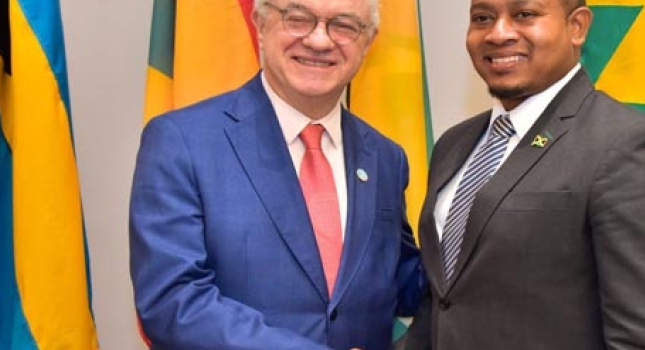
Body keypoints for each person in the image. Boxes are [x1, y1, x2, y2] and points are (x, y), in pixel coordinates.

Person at [129, 0, 424, 349]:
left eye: (344, 25)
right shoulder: (182, 141)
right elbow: (173, 301)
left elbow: (403, 280)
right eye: (297, 18)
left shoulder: (386, 158)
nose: (319, 41)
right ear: (261, 24)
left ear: (369, 40)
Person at [404, 0, 645, 349]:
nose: (498, 33)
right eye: (482, 18)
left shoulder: (631, 147)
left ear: (577, 26)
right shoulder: (454, 145)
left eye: (524, 14)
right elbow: (445, 305)